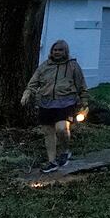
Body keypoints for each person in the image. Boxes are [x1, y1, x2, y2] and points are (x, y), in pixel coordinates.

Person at [21, 39, 88, 172]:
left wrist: (84, 102)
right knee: (48, 132)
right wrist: (27, 93)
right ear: (51, 51)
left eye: (60, 50)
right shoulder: (45, 66)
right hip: (46, 103)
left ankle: (65, 151)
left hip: (66, 103)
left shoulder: (72, 66)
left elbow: (81, 85)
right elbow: (33, 83)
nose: (57, 52)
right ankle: (52, 162)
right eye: (55, 50)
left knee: (62, 129)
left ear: (65, 51)